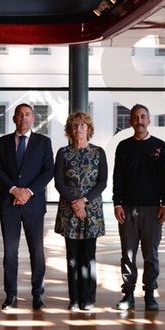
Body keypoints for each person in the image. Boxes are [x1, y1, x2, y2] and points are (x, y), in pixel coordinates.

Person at [0, 103, 54, 310]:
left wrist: (27, 192)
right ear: (14, 118)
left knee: (36, 251)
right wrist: (13, 190)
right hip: (9, 204)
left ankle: (38, 294)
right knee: (10, 252)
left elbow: (48, 171)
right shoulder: (2, 142)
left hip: (33, 205)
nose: (23, 118)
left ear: (33, 118)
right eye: (20, 114)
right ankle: (11, 295)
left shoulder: (44, 142)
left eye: (27, 114)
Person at [113, 104, 165, 311]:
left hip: (152, 209)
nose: (139, 121)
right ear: (130, 122)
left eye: (143, 117)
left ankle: (149, 294)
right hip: (127, 208)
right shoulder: (123, 146)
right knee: (128, 254)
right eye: (135, 117)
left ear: (149, 120)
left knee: (150, 254)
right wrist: (117, 203)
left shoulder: (160, 146)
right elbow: (117, 177)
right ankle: (128, 295)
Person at [54, 112, 108, 311]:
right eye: (75, 126)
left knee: (89, 255)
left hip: (91, 210)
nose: (79, 129)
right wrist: (74, 202)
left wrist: (83, 201)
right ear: (70, 130)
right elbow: (59, 182)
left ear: (89, 129)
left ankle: (89, 298)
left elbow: (102, 182)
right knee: (72, 256)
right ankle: (75, 299)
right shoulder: (63, 153)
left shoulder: (98, 152)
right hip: (70, 211)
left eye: (82, 126)